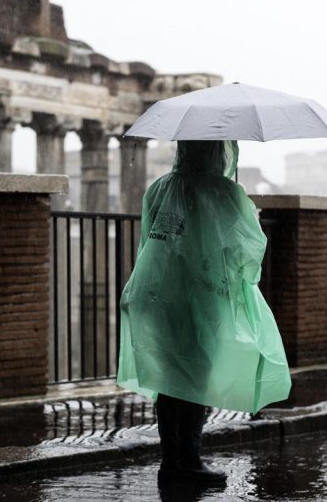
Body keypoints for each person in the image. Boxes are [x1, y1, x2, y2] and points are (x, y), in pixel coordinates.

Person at [117, 140, 292, 484]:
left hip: (157, 294)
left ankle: (171, 461)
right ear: (219, 151)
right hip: (202, 299)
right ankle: (190, 460)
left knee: (169, 379)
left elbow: (150, 241)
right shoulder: (223, 192)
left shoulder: (159, 189)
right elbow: (247, 249)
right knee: (196, 377)